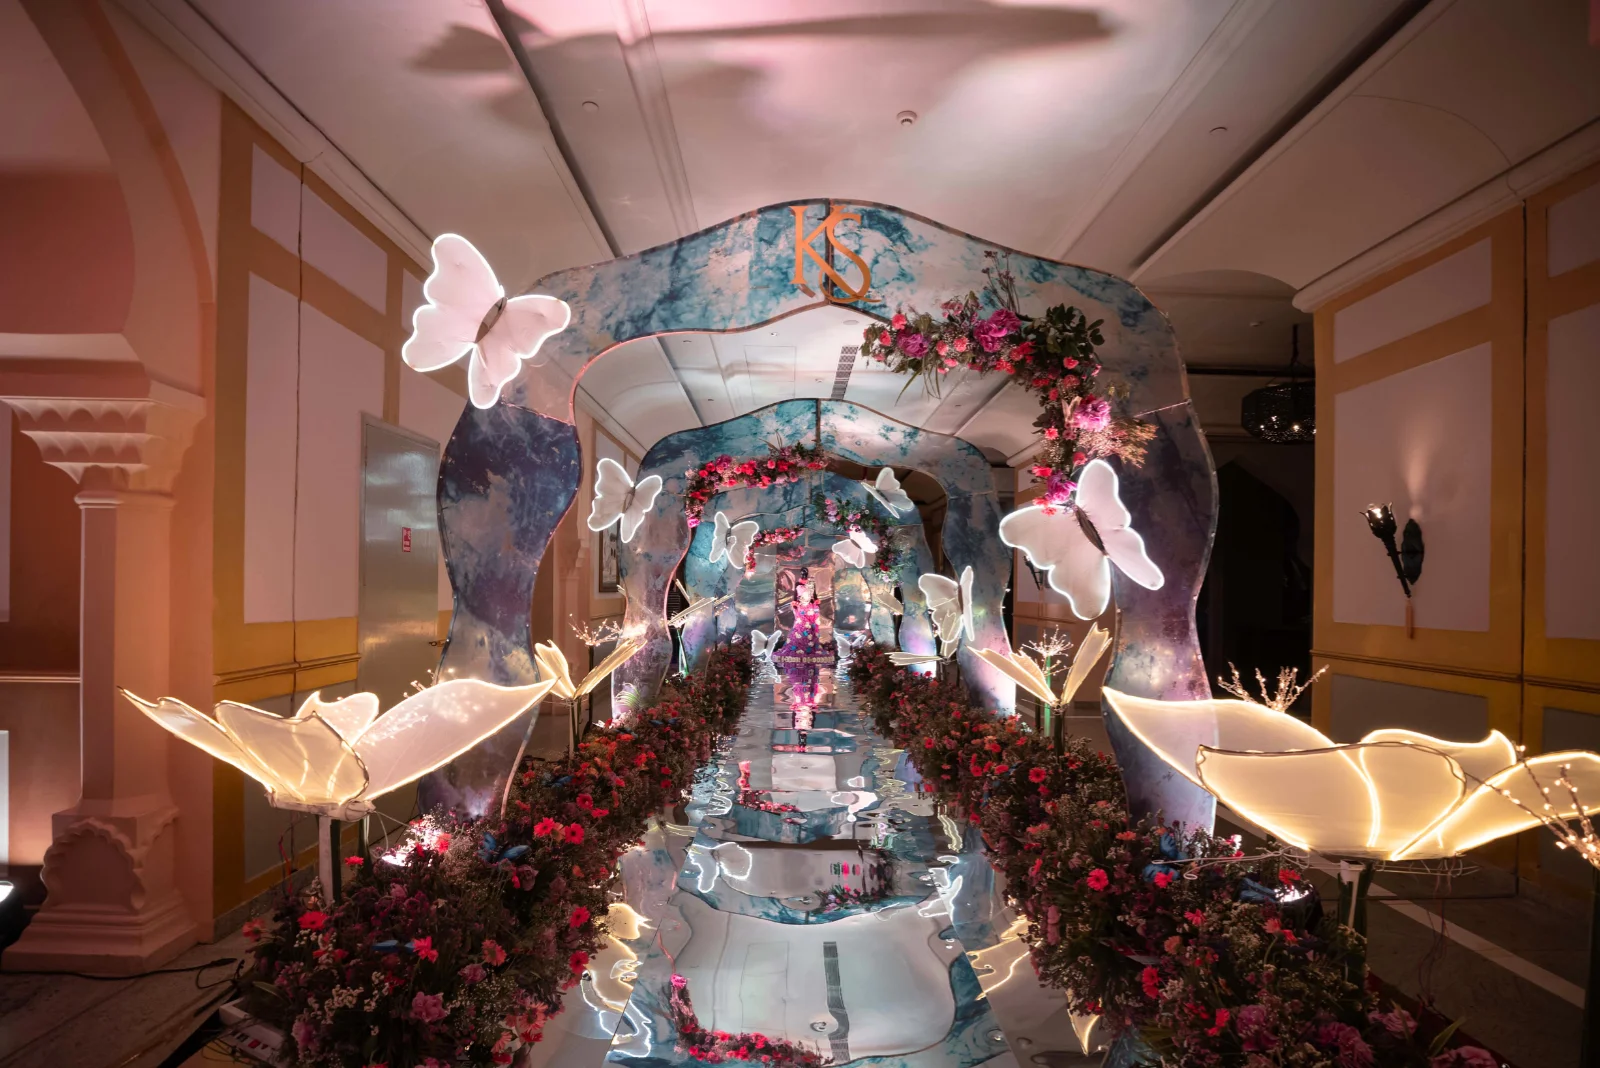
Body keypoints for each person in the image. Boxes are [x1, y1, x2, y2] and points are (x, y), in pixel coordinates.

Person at [773, 568, 834, 668]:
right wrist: (795, 606)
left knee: (810, 628)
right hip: (801, 608)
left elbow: (814, 596)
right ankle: (799, 647)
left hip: (810, 608)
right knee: (800, 627)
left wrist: (816, 604)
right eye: (802, 573)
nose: (803, 575)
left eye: (805, 573)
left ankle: (809, 648)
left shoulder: (811, 583)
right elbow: (795, 597)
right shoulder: (798, 584)